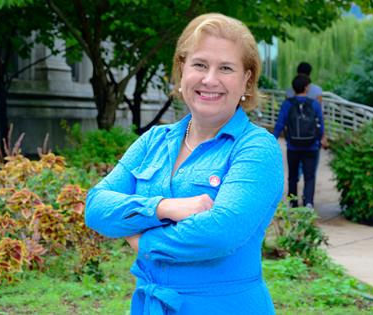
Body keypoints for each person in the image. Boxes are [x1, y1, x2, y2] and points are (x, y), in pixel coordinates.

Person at [84, 13, 284, 315]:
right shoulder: (153, 141)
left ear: (247, 79)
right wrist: (162, 207)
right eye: (200, 64)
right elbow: (96, 206)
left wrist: (142, 241)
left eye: (226, 68)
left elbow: (221, 232)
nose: (210, 79)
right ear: (182, 69)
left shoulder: (256, 148)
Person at [273, 75, 324, 208]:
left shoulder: (287, 104)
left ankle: (293, 202)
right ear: (306, 87)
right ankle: (308, 202)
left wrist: (272, 140)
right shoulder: (314, 104)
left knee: (292, 175)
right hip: (311, 146)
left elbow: (280, 124)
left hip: (293, 146)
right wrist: (319, 141)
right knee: (310, 176)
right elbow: (320, 124)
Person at [286, 62, 328, 149]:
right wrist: (323, 136)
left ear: (297, 73)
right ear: (310, 74)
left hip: (294, 133)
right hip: (311, 133)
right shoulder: (317, 90)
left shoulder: (289, 91)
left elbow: (287, 113)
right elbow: (319, 114)